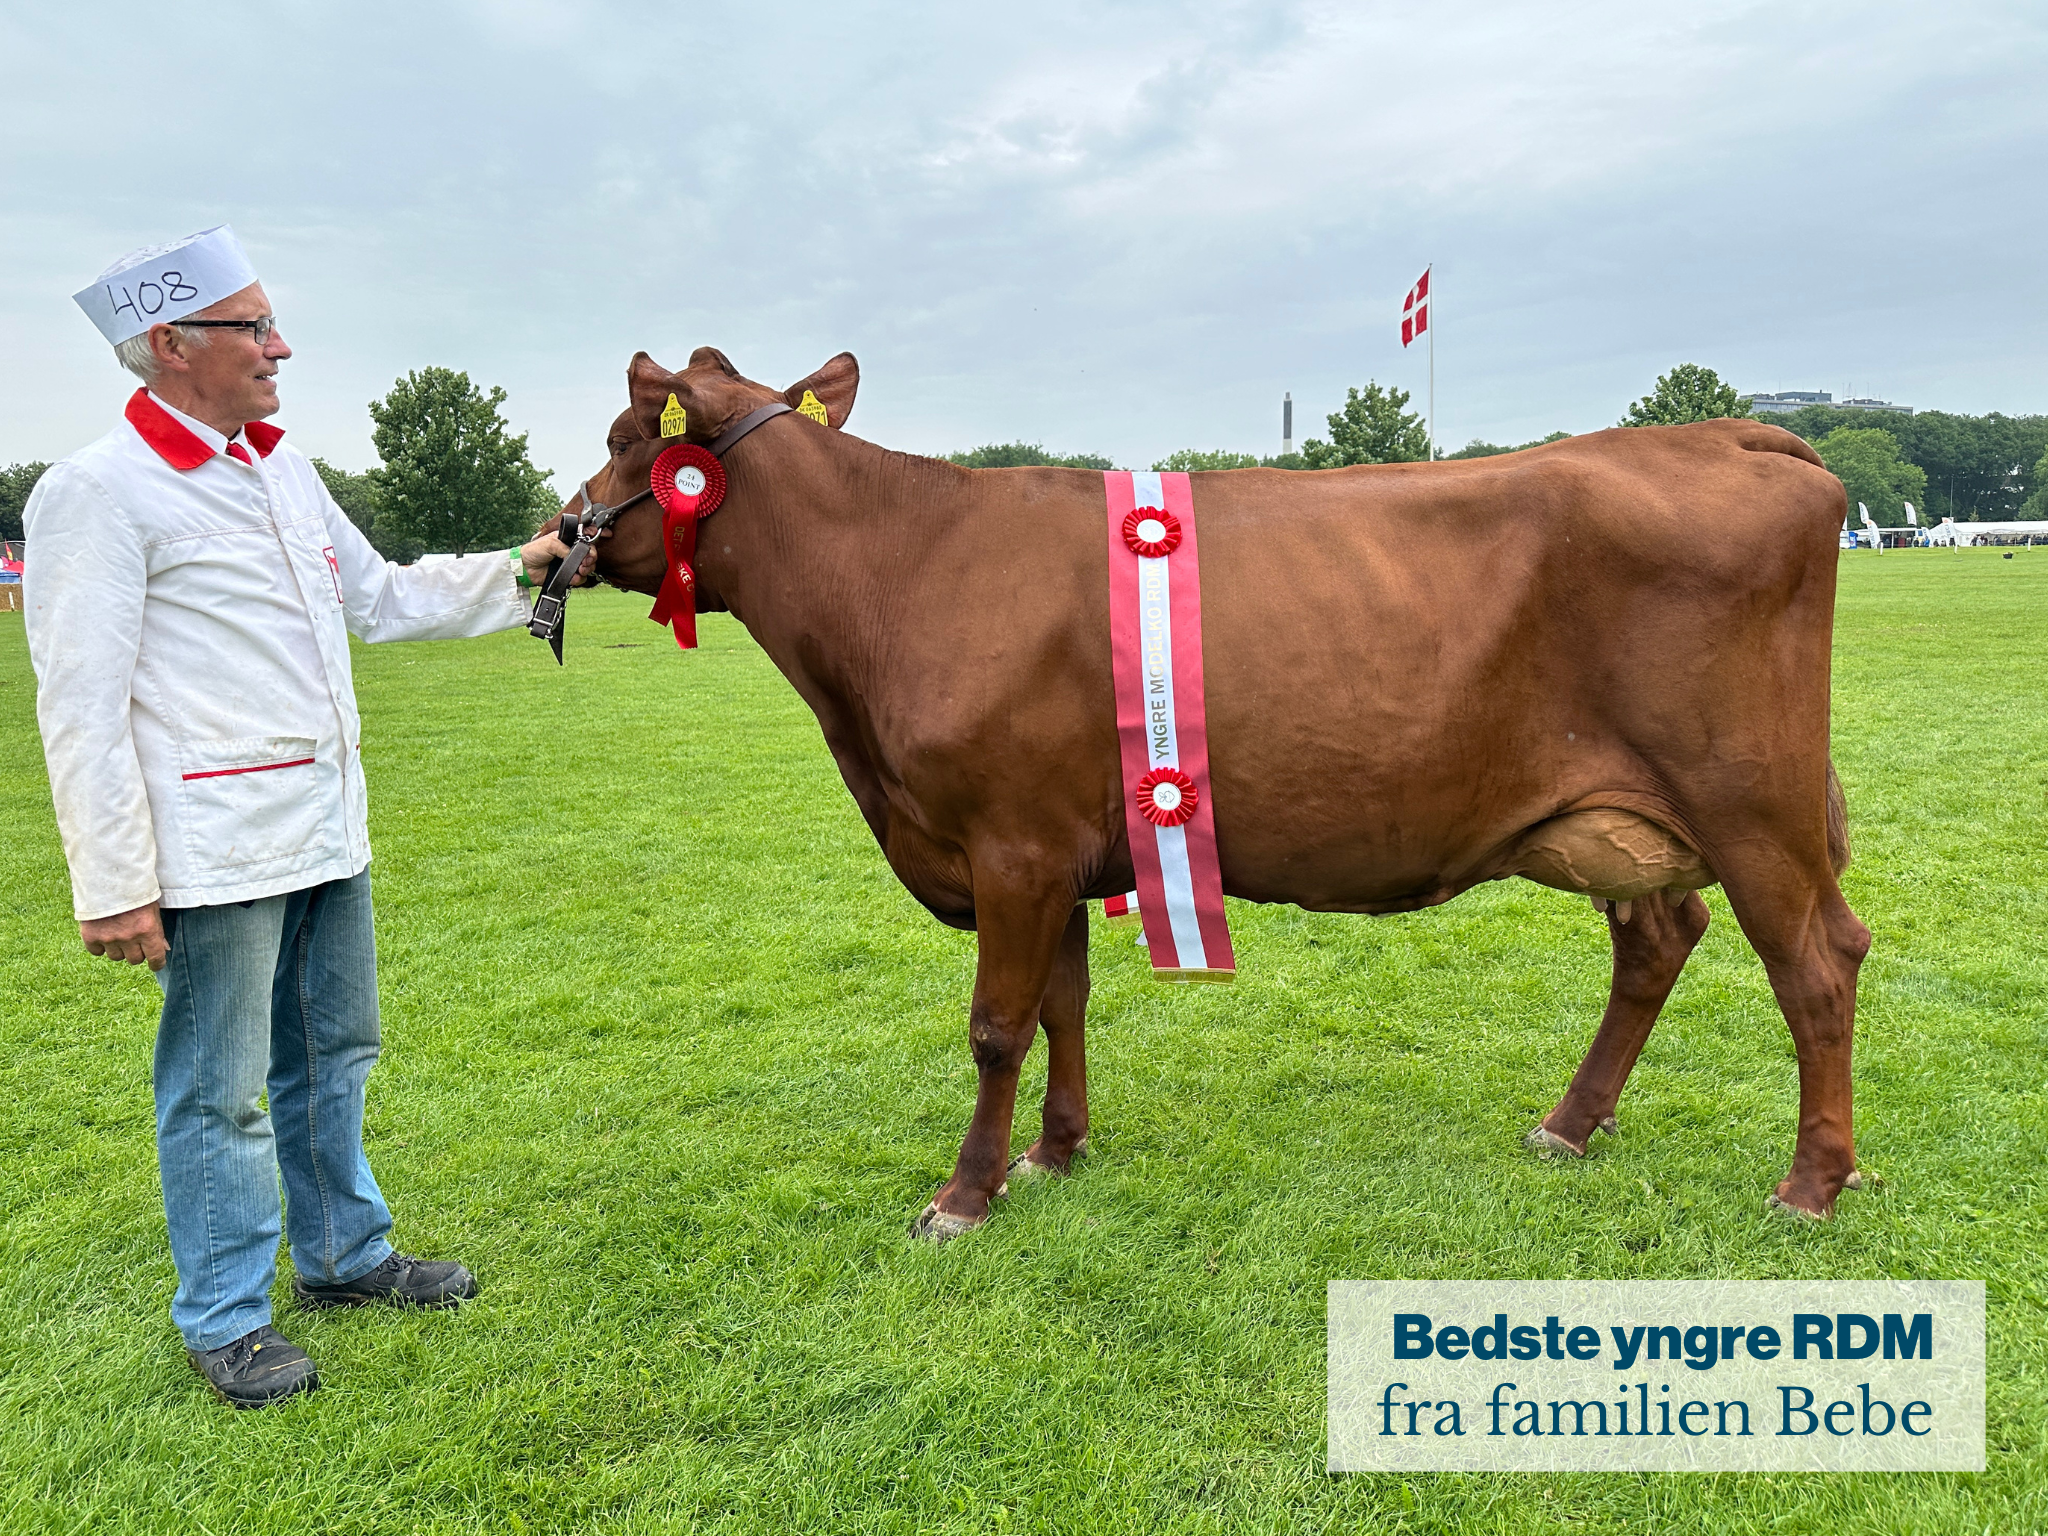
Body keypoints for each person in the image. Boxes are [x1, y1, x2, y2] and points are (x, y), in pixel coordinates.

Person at [26, 226, 584, 1409]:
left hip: (329, 826)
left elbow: (378, 599)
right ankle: (227, 1318)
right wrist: (113, 883)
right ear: (171, 345)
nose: (280, 347)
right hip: (215, 849)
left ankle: (341, 1256)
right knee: (219, 1089)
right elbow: (79, 704)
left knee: (336, 1053)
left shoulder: (282, 470)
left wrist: (521, 564)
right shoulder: (97, 491)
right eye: (256, 326)